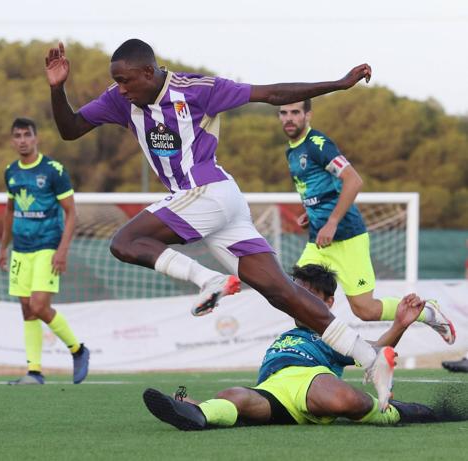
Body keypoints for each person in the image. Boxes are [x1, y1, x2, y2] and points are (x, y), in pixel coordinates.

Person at [45, 38, 394, 408]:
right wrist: (57, 88)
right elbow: (70, 129)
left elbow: (273, 94)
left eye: (127, 80)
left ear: (149, 71)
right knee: (284, 294)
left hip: (208, 192)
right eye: (117, 80)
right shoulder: (120, 99)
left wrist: (337, 84)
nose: (121, 88)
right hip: (216, 205)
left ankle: (208, 280)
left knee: (124, 242)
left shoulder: (198, 90)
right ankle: (372, 358)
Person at [143, 264, 437, 430]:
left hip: (312, 381)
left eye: (305, 295)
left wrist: (400, 324)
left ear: (328, 302)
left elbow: (374, 353)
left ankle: (394, 411)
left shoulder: (334, 335)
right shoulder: (287, 334)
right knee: (234, 394)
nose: (297, 301)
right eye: (293, 293)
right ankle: (198, 414)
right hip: (273, 390)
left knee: (343, 400)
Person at [277, 99, 455, 345]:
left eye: (295, 112)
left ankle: (427, 312)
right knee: (295, 297)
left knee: (365, 310)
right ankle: (315, 354)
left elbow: (354, 180)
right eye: (283, 113)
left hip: (347, 237)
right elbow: (322, 188)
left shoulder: (318, 144)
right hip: (318, 242)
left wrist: (332, 222)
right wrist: (313, 212)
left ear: (308, 115)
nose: (289, 118)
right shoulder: (292, 149)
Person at [0, 117, 90, 385]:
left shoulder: (53, 170)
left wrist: (62, 251)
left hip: (47, 247)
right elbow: (9, 210)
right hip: (21, 249)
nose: (23, 140)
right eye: (18, 135)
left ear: (36, 138)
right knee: (27, 309)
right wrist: (3, 247)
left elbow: (71, 212)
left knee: (39, 306)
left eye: (27, 134)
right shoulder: (11, 172)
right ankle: (34, 372)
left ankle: (78, 349)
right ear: (12, 140)